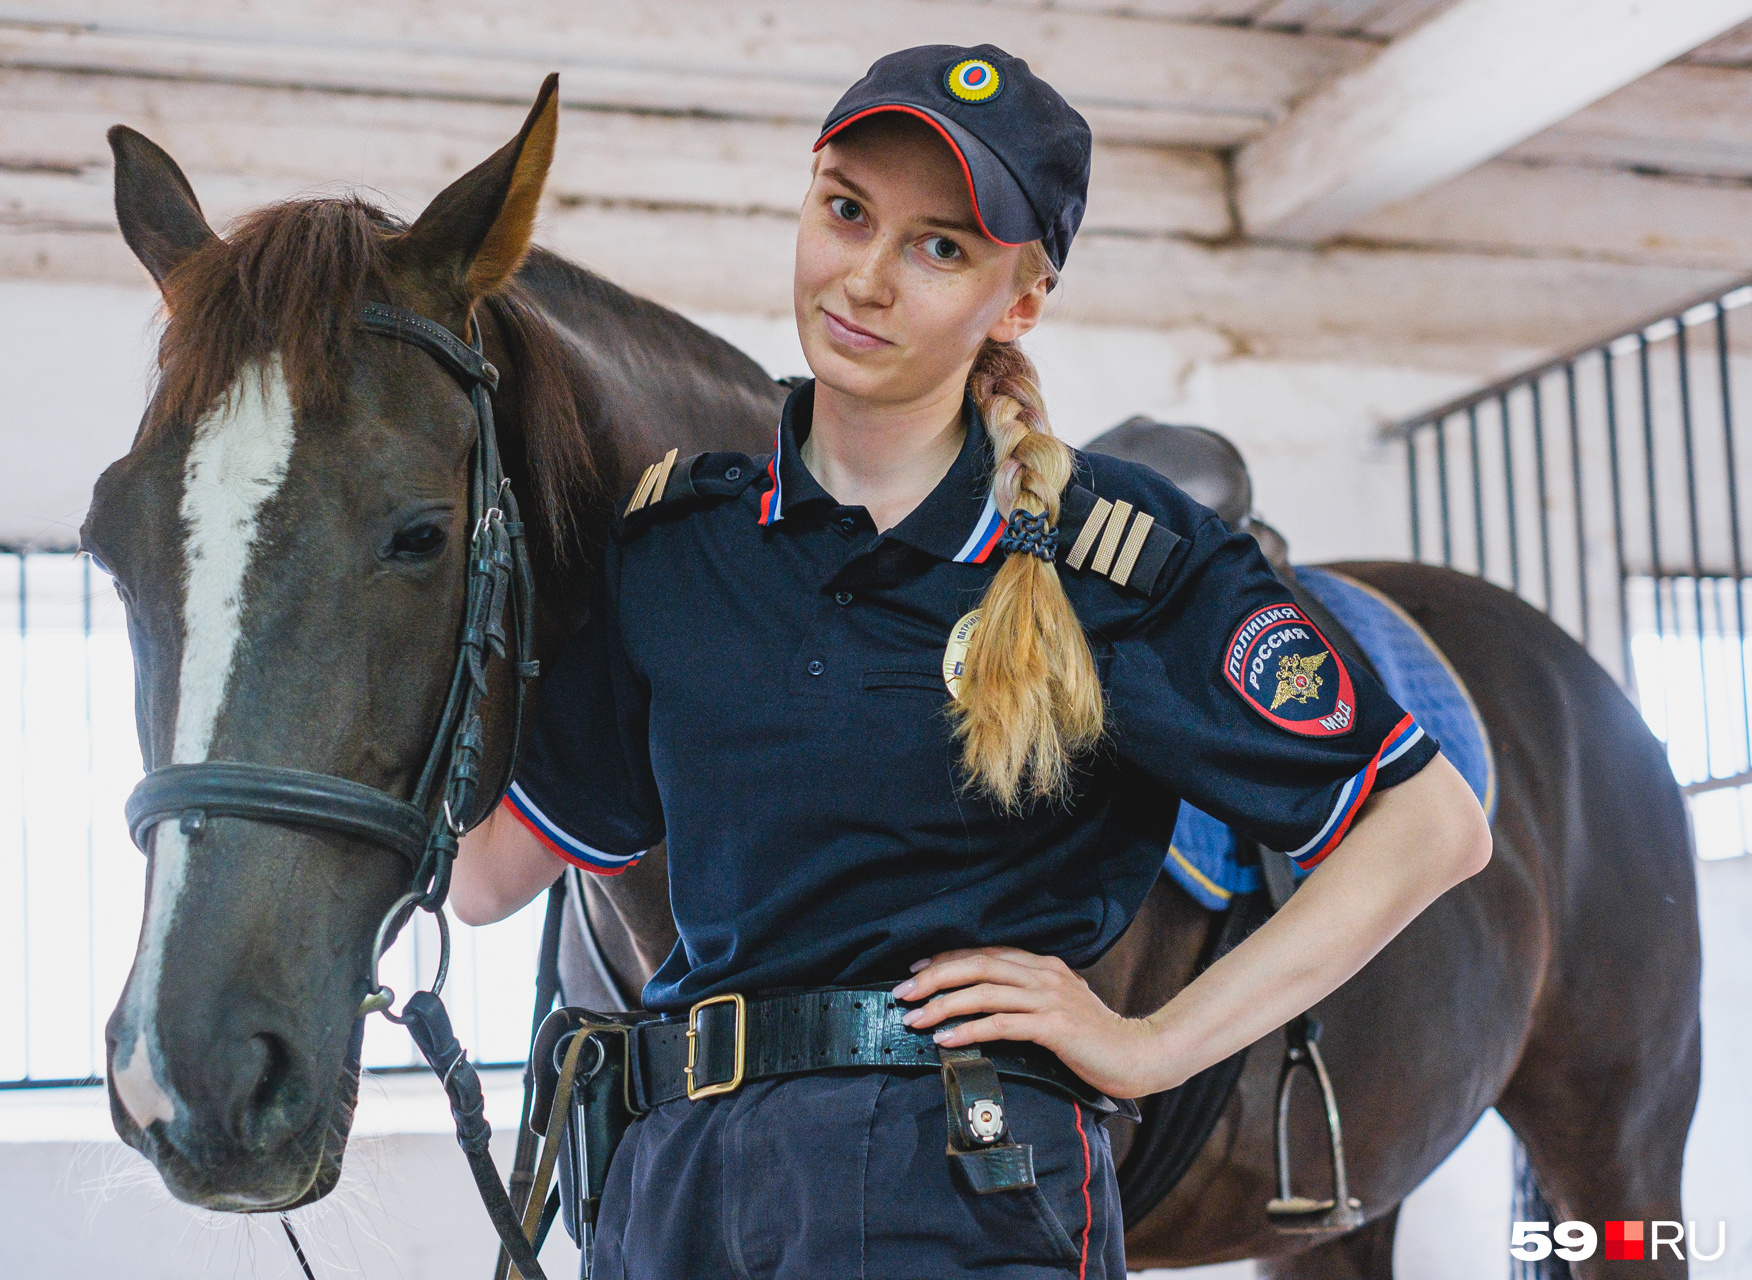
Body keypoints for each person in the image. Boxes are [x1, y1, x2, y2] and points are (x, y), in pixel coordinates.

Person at [451, 42, 1491, 1280]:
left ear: (1020, 298)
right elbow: (482, 881)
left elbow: (1430, 823)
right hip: (676, 1191)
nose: (867, 278)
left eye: (939, 247)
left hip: (959, 1186)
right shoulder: (677, 547)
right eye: (846, 211)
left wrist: (1149, 1044)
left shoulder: (1115, 557)